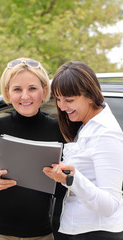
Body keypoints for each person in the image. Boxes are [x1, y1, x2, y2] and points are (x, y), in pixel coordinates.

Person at [0, 58, 66, 240]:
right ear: (7, 92)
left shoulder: (58, 130)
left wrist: (60, 178)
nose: (25, 96)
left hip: (40, 234)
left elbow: (64, 190)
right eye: (17, 89)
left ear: (44, 90)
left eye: (32, 88)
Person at [43, 61, 123, 240]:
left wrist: (71, 179)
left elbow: (110, 204)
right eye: (58, 99)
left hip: (96, 232)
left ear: (90, 95)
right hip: (77, 229)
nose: (62, 107)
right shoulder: (84, 126)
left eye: (69, 100)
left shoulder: (106, 134)